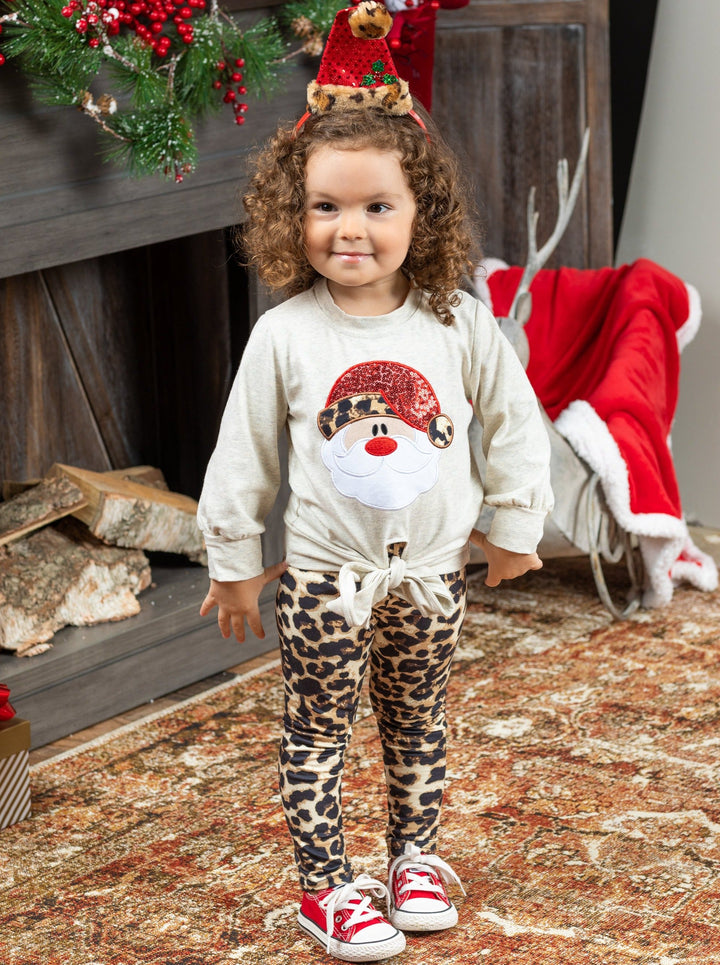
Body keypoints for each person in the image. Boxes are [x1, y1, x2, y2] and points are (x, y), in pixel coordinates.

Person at [197, 3, 553, 961]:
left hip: (432, 575)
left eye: (376, 208)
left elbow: (513, 421)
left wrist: (515, 525)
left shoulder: (457, 320)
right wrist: (234, 563)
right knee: (317, 732)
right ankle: (325, 888)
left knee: (419, 721)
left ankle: (414, 858)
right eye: (326, 207)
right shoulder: (285, 335)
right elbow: (243, 453)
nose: (348, 229)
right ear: (293, 213)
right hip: (324, 580)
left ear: (419, 212)